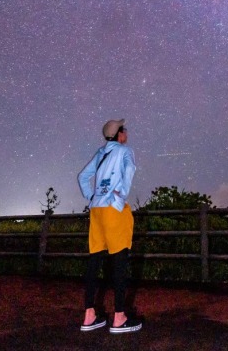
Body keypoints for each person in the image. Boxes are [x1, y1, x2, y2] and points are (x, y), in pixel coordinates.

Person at [77, 118, 142, 334]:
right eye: (125, 130)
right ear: (119, 135)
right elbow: (129, 172)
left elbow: (82, 177)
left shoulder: (100, 152)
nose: (127, 133)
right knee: (119, 261)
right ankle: (119, 317)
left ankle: (89, 315)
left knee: (94, 260)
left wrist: (92, 196)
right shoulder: (125, 151)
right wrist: (119, 196)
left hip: (96, 210)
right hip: (113, 209)